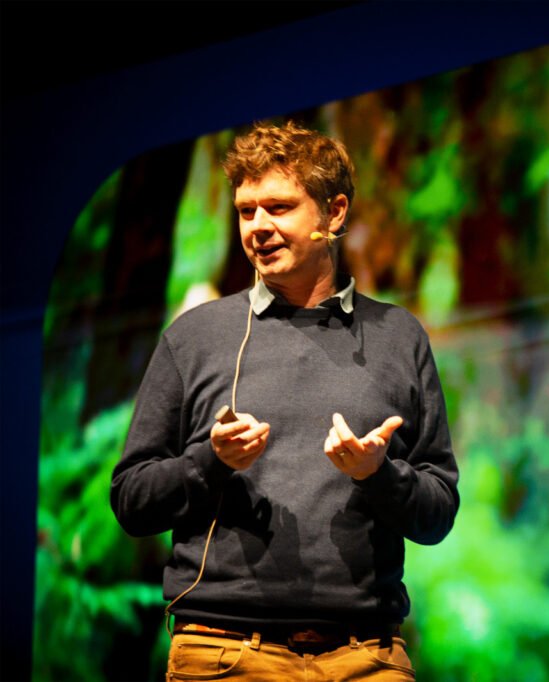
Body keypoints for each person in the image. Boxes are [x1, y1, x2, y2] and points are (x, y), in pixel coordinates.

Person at [111, 120, 460, 680]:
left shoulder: (400, 336)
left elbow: (438, 511)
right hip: (223, 655)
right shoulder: (195, 337)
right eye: (246, 211)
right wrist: (212, 461)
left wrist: (378, 473)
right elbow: (131, 500)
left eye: (278, 207)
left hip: (366, 658)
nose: (258, 227)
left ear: (335, 213)